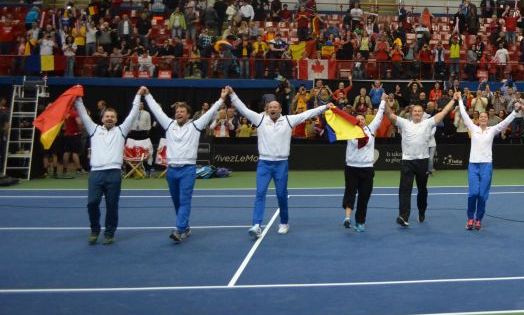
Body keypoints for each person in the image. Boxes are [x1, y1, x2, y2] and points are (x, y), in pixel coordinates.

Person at [228, 87, 333, 238]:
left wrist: (325, 107)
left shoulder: (289, 120)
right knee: (260, 193)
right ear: (267, 109)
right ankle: (256, 225)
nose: (272, 109)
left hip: (281, 164)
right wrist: (232, 94)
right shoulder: (260, 119)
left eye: (275, 107)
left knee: (281, 195)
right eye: (270, 107)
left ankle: (284, 222)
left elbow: (307, 114)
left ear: (280, 109)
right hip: (264, 164)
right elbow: (243, 110)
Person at [142, 88, 226, 243]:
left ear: (188, 115)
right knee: (177, 201)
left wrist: (221, 99)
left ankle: (179, 229)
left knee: (185, 200)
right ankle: (185, 227)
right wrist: (147, 95)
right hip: (172, 171)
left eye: (182, 111)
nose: (179, 113)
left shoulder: (195, 125)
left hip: (188, 170)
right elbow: (156, 110)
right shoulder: (169, 124)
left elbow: (209, 113)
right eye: (177, 111)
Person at [75, 88, 144, 244]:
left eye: (112, 116)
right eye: (107, 116)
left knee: (112, 205)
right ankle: (95, 230)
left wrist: (138, 96)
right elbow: (83, 114)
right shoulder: (94, 130)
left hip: (114, 174)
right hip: (96, 174)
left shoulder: (121, 130)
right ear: (102, 118)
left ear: (116, 119)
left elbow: (133, 113)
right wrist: (77, 98)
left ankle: (109, 233)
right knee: (92, 203)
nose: (110, 118)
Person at [384, 94, 458, 227]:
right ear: (411, 113)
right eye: (415, 111)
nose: (417, 113)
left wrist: (453, 100)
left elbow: (444, 112)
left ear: (423, 113)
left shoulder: (428, 123)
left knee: (422, 190)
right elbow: (389, 115)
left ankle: (421, 211)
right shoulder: (404, 123)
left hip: (422, 162)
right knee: (404, 190)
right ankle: (403, 216)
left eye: (419, 111)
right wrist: (384, 101)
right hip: (407, 162)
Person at [456, 93, 519, 230]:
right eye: (481, 117)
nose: (483, 118)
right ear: (478, 119)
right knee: (473, 193)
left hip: (486, 165)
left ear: (488, 119)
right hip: (473, 165)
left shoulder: (492, 130)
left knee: (482, 196)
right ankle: (470, 218)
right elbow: (464, 114)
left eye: (485, 117)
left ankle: (478, 219)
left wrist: (515, 112)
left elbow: (505, 122)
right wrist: (460, 100)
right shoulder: (473, 128)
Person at [342, 97, 387, 232]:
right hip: (351, 168)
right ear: (354, 121)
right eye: (358, 119)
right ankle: (347, 218)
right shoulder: (349, 131)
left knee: (364, 197)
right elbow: (340, 118)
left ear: (365, 121)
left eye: (362, 119)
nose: (360, 121)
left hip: (367, 169)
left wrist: (383, 101)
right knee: (350, 193)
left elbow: (379, 116)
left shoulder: (371, 129)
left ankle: (360, 222)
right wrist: (331, 108)